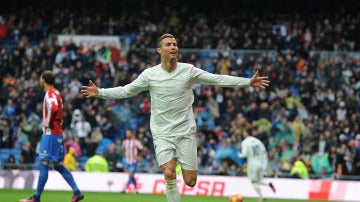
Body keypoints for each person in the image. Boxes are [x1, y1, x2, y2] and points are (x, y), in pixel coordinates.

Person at [81, 33, 269, 202]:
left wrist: (247, 82)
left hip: (185, 131)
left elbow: (217, 79)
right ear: (159, 50)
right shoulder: (150, 75)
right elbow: (126, 90)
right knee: (169, 173)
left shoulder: (188, 71)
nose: (173, 47)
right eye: (169, 44)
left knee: (191, 181)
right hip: (162, 132)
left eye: (175, 44)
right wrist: (100, 92)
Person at [20, 70, 84, 202]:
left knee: (43, 163)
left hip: (51, 133)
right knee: (58, 164)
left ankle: (36, 197)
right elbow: (60, 109)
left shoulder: (50, 94)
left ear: (43, 80)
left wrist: (47, 123)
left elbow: (54, 108)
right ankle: (77, 192)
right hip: (57, 133)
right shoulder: (56, 92)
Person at [238, 128, 276, 202]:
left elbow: (244, 154)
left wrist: (239, 155)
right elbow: (264, 151)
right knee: (259, 180)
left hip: (252, 164)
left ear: (246, 133)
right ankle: (268, 183)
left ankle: (261, 197)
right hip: (260, 163)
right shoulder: (258, 141)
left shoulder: (245, 142)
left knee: (253, 181)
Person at [121, 129, 143, 193]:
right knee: (132, 176)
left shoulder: (136, 142)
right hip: (127, 161)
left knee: (130, 174)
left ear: (131, 134)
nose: (127, 135)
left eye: (128, 133)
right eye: (126, 133)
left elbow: (142, 149)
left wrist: (139, 156)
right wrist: (125, 155)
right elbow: (123, 149)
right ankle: (136, 190)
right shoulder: (124, 142)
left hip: (134, 161)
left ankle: (125, 189)